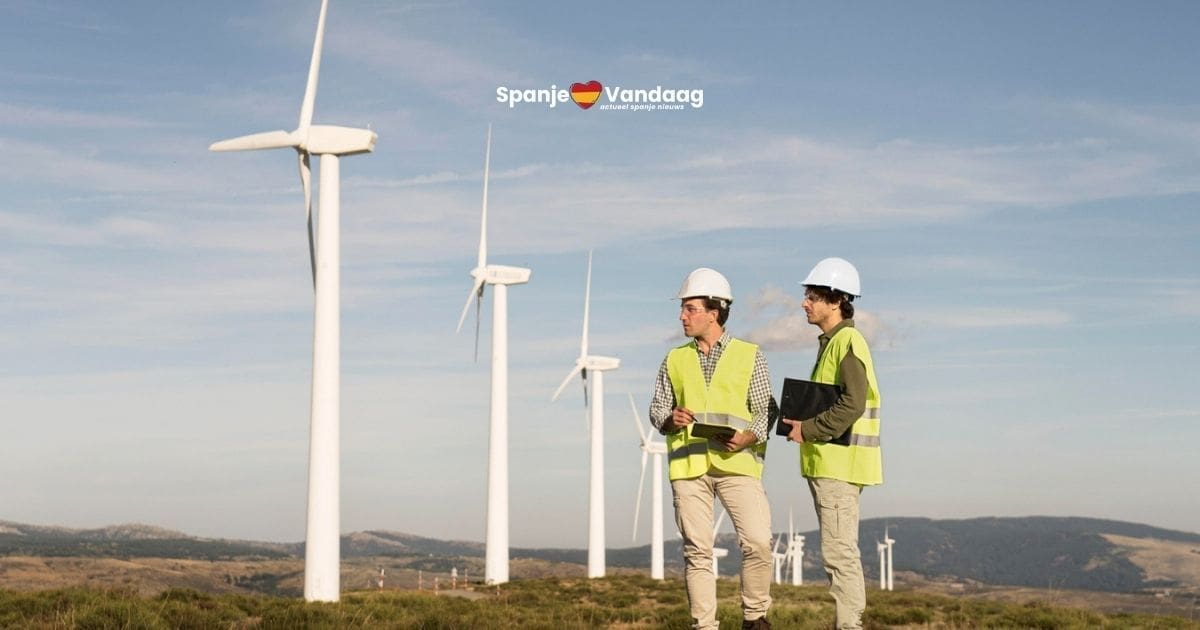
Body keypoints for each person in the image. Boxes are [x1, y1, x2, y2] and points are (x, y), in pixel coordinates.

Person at [649, 267, 775, 630]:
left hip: (738, 463)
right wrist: (670, 419)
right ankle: (704, 625)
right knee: (697, 551)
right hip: (689, 469)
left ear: (714, 312)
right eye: (683, 309)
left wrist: (749, 436)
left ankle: (755, 618)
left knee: (758, 543)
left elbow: (765, 410)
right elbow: (657, 409)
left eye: (690, 308)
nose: (682, 316)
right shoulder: (673, 359)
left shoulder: (751, 355)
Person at [780, 257, 883, 630]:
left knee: (840, 555)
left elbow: (853, 403)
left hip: (839, 467)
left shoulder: (847, 342)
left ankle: (849, 626)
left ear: (836, 299)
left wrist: (808, 430)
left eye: (812, 296)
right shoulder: (833, 344)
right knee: (838, 554)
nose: (804, 303)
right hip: (829, 466)